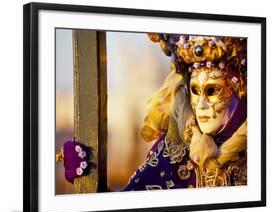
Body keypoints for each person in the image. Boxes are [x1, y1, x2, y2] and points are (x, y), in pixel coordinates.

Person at [59, 34, 247, 191]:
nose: (201, 105)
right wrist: (88, 179)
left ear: (238, 90)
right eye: (195, 91)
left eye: (213, 91)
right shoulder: (173, 152)